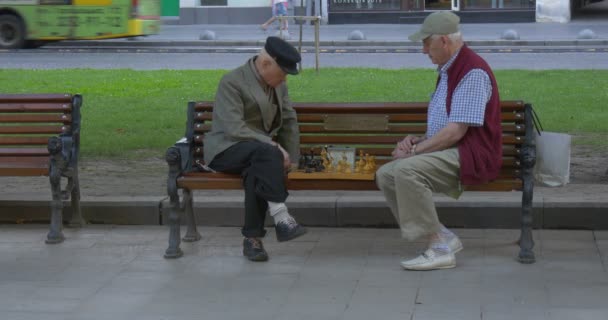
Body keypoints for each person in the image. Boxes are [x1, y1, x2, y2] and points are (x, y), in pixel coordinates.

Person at [375, 11, 502, 271]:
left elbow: (456, 131)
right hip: (456, 149)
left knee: (407, 170)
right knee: (386, 174)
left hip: (472, 154)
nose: (423, 50)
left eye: (426, 43)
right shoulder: (449, 68)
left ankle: (439, 249)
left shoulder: (472, 71)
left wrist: (414, 153)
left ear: (444, 41)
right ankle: (443, 236)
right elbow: (448, 127)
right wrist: (417, 140)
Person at [203, 36, 306, 262]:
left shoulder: (279, 85)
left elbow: (288, 119)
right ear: (266, 64)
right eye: (282, 73)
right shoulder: (232, 81)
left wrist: (293, 159)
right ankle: (281, 216)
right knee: (265, 153)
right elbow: (233, 127)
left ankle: (252, 241)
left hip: (259, 155)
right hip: (226, 149)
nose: (284, 79)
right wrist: (273, 145)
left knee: (256, 171)